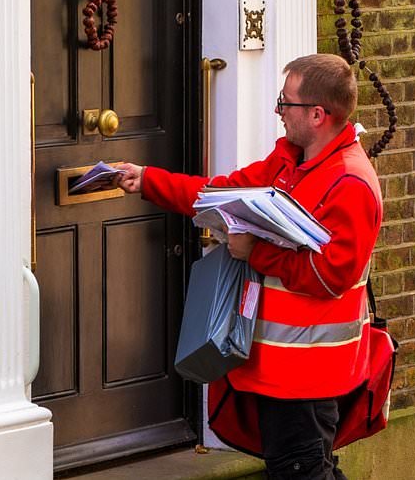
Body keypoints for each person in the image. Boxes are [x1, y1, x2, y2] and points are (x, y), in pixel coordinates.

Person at [115, 53, 382, 480]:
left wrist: (255, 251)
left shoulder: (350, 183)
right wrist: (147, 179)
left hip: (309, 373)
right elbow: (217, 194)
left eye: (286, 103)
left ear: (317, 114)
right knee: (304, 469)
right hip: (278, 365)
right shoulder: (287, 165)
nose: (279, 111)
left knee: (303, 471)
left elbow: (332, 276)